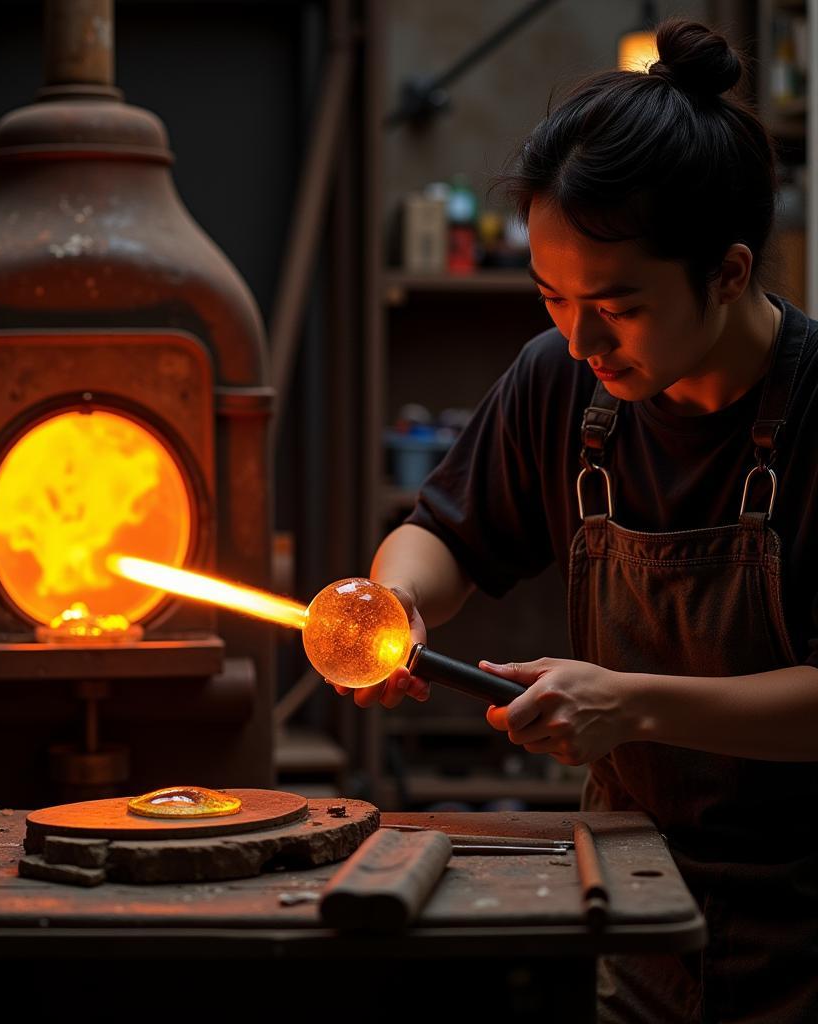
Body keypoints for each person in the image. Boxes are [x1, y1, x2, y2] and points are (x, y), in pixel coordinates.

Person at [331, 18, 818, 1024]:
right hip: (639, 910)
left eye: (618, 304)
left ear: (728, 273)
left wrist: (633, 704)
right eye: (551, 295)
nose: (580, 335)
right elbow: (444, 538)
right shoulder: (559, 382)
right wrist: (397, 600)